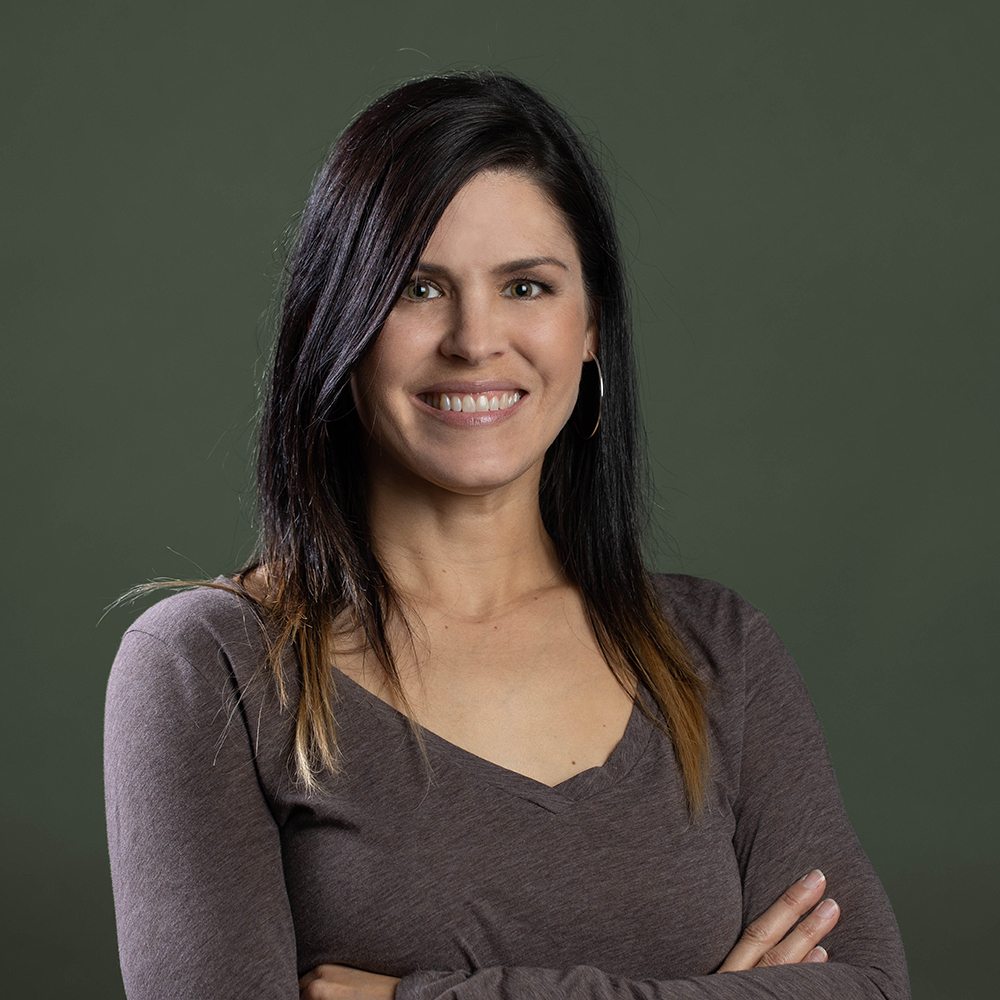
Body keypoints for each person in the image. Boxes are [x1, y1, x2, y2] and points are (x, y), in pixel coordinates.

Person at [104, 72, 909, 1000]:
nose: (475, 339)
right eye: (417, 287)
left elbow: (871, 989)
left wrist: (424, 997)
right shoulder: (208, 668)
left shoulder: (716, 654)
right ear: (340, 324)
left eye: (526, 285)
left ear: (590, 326)